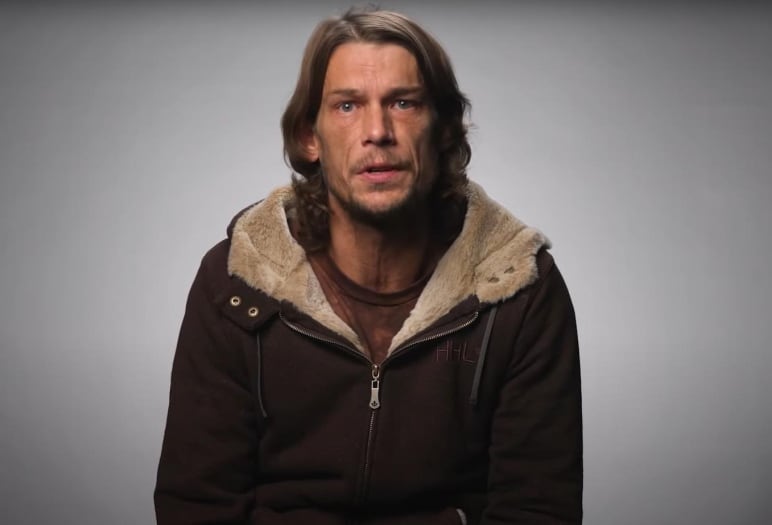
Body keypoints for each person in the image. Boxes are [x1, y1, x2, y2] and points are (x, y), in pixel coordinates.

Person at [154, 7, 582, 525]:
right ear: (309, 138)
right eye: (347, 106)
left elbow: (538, 510)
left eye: (404, 103)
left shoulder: (518, 288)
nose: (377, 131)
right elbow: (197, 506)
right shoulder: (236, 281)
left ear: (444, 130)